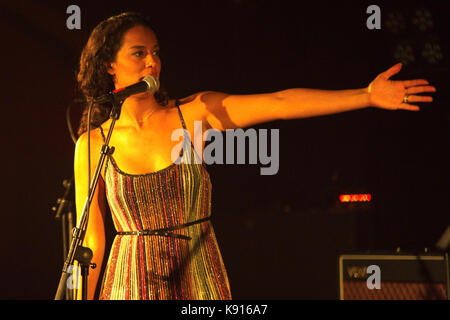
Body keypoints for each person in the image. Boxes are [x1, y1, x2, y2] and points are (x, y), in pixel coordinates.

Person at [74, 12, 436, 300]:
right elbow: (91, 240)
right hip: (129, 282)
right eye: (139, 53)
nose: (152, 62)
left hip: (197, 273)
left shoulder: (195, 112)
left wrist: (366, 95)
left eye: (156, 52)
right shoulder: (92, 143)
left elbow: (278, 102)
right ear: (109, 64)